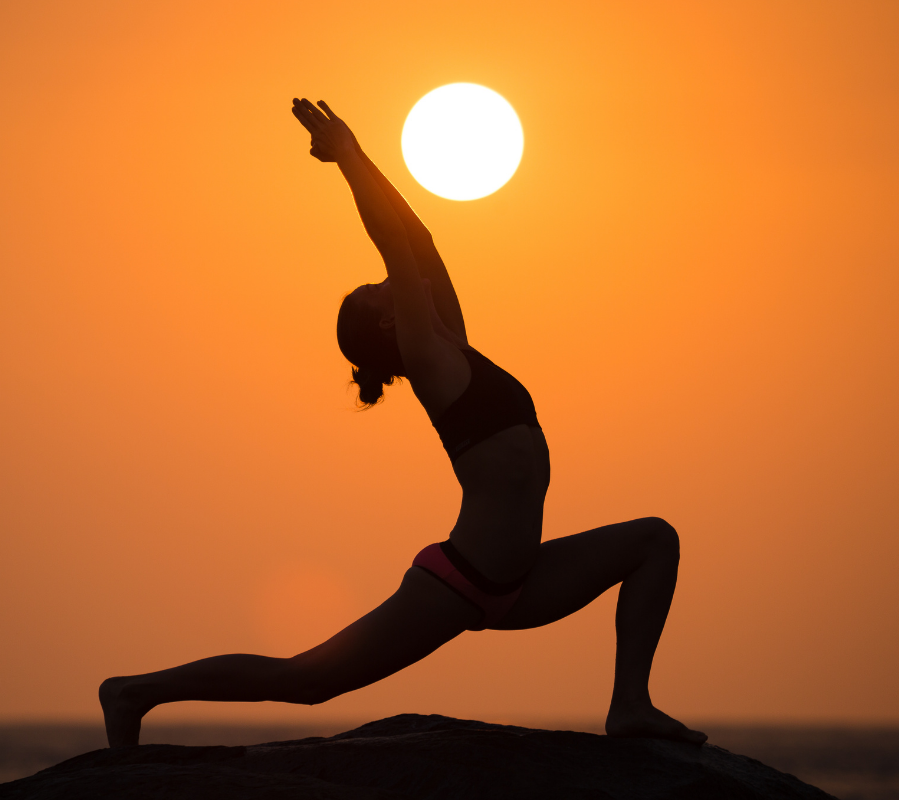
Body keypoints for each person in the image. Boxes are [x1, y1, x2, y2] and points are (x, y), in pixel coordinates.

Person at [98, 98, 707, 748]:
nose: (390, 282)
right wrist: (347, 162)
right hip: (463, 580)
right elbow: (392, 240)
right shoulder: (428, 359)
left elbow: (418, 239)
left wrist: (362, 156)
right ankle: (134, 692)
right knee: (306, 679)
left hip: (524, 582)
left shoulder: (455, 346)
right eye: (377, 288)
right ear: (389, 323)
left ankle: (631, 706)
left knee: (653, 541)